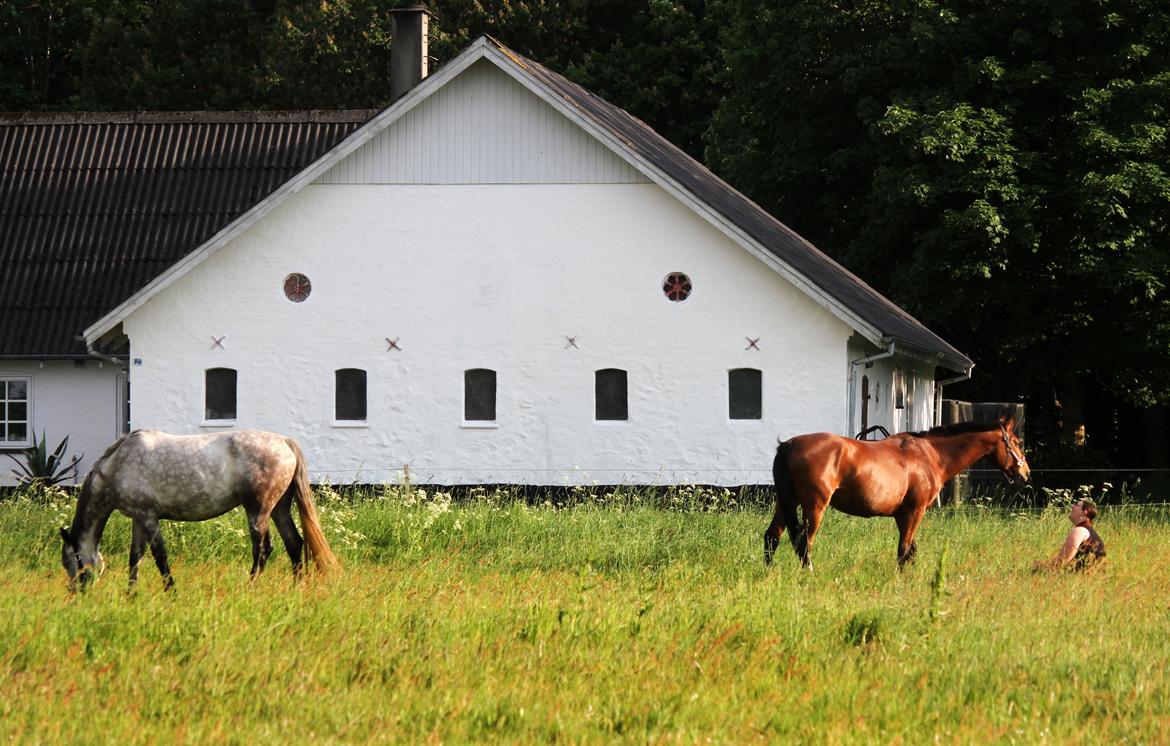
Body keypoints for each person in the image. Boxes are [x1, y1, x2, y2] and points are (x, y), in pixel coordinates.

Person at [1033, 499, 1106, 571]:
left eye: (1076, 505)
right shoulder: (1088, 531)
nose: (1072, 507)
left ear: (1084, 512)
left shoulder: (1080, 530)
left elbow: (1062, 561)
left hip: (1080, 578)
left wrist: (1039, 566)